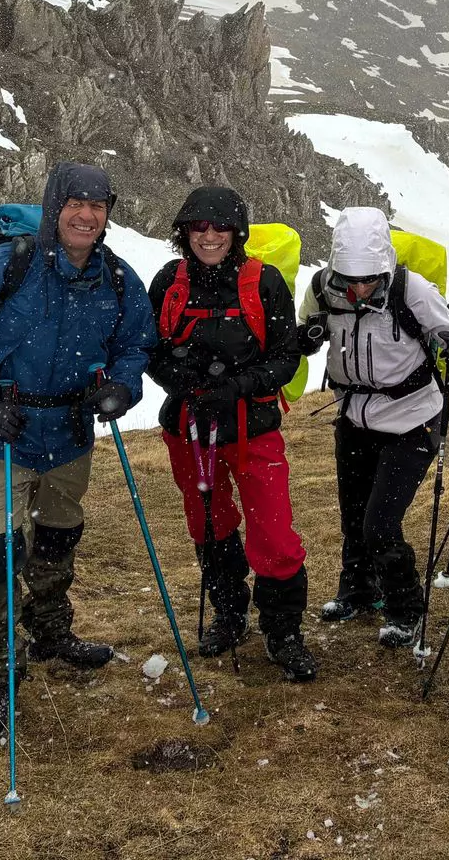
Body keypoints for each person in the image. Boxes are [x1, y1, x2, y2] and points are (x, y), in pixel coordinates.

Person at [0, 162, 156, 742]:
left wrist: (122, 386)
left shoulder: (118, 280)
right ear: (53, 207)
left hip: (70, 431)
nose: (86, 215)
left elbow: (136, 344)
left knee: (57, 536)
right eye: (75, 202)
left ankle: (50, 631)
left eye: (98, 205)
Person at [146, 185, 316, 682]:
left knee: (275, 533)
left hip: (253, 430)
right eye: (199, 226)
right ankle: (229, 613)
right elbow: (147, 348)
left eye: (220, 227)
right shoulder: (168, 282)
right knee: (209, 525)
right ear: (184, 232)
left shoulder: (263, 283)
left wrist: (238, 386)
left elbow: (286, 355)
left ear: (237, 233)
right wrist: (184, 381)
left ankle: (283, 632)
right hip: (188, 430)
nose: (209, 236)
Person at [294, 207, 449, 646]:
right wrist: (304, 339)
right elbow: (301, 331)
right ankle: (357, 590)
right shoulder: (321, 288)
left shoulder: (411, 290)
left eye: (368, 278)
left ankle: (405, 608)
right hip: (353, 418)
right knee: (354, 516)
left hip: (412, 419)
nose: (358, 288)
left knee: (380, 523)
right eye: (349, 279)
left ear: (385, 266)